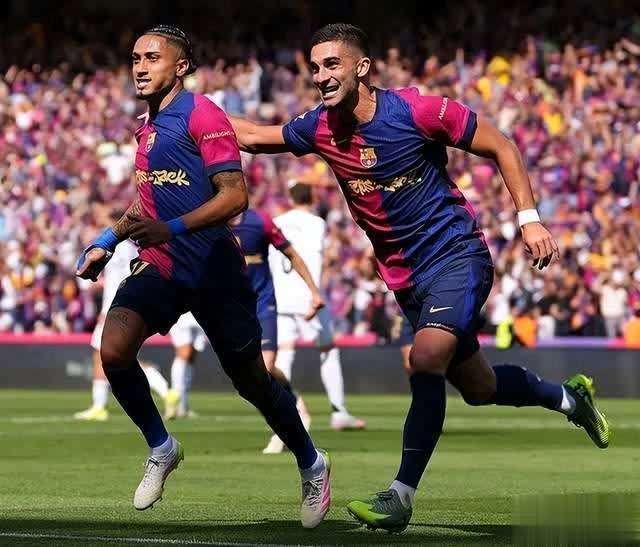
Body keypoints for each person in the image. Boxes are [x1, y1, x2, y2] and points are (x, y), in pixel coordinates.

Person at [230, 22, 610, 533]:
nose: (320, 76)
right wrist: (185, 115)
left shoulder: (418, 111)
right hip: (406, 280)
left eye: (332, 64)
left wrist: (529, 219)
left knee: (425, 357)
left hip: (456, 256)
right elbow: (254, 136)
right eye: (315, 68)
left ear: (363, 67)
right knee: (479, 386)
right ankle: (569, 398)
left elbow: (501, 145)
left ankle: (401, 495)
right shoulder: (319, 127)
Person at [75, 24, 330, 528]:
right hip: (163, 266)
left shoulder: (203, 115)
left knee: (252, 381)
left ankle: (312, 462)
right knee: (114, 349)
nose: (140, 66)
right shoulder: (145, 129)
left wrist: (169, 229)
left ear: (181, 66)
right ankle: (161, 446)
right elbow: (145, 204)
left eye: (152, 57)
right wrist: (107, 240)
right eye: (135, 58)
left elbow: (235, 196)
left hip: (215, 269)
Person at [268, 181, 366, 437]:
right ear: (311, 198)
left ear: (290, 198)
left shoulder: (276, 222)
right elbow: (316, 258)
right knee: (328, 350)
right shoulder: (317, 224)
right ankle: (339, 412)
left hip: (280, 297)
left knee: (284, 354)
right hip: (308, 297)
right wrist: (315, 293)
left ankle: (286, 411)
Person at [229, 207, 322, 453]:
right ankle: (293, 403)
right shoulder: (208, 223)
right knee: (248, 376)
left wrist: (314, 292)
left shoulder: (260, 221)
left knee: (265, 367)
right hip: (233, 309)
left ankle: (285, 423)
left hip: (263, 304)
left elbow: (292, 254)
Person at [74, 228, 180, 422]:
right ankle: (166, 391)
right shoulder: (131, 248)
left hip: (114, 308)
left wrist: (107, 309)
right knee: (125, 358)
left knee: (101, 354)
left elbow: (117, 281)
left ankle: (99, 406)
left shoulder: (115, 248)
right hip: (129, 307)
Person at [166, 312, 207, 419]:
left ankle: (183, 405)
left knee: (191, 356)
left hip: (199, 313)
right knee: (184, 353)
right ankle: (175, 401)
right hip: (182, 313)